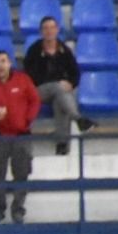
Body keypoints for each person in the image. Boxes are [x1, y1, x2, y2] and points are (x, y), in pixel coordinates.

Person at [0, 50, 40, 224]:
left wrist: (28, 120)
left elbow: (35, 101)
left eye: (3, 61)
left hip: (21, 135)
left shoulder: (23, 80)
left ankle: (18, 211)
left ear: (10, 63)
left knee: (22, 174)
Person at [23, 16, 93, 156]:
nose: (49, 31)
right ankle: (77, 118)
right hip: (37, 91)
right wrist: (56, 83)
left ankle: (62, 145)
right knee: (59, 89)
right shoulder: (34, 51)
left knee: (60, 99)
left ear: (57, 30)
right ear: (41, 32)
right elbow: (28, 77)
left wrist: (70, 84)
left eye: (52, 28)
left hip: (59, 92)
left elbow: (75, 73)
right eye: (45, 28)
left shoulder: (64, 50)